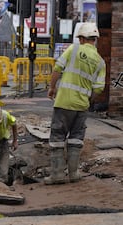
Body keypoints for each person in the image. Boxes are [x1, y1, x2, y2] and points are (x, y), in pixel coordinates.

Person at [44, 23, 106, 185]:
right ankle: (73, 173)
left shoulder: (74, 50)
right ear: (94, 40)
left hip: (64, 102)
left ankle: (57, 175)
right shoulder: (100, 62)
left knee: (57, 136)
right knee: (76, 139)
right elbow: (99, 88)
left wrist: (52, 88)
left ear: (82, 38)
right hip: (82, 106)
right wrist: (87, 99)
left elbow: (57, 68)